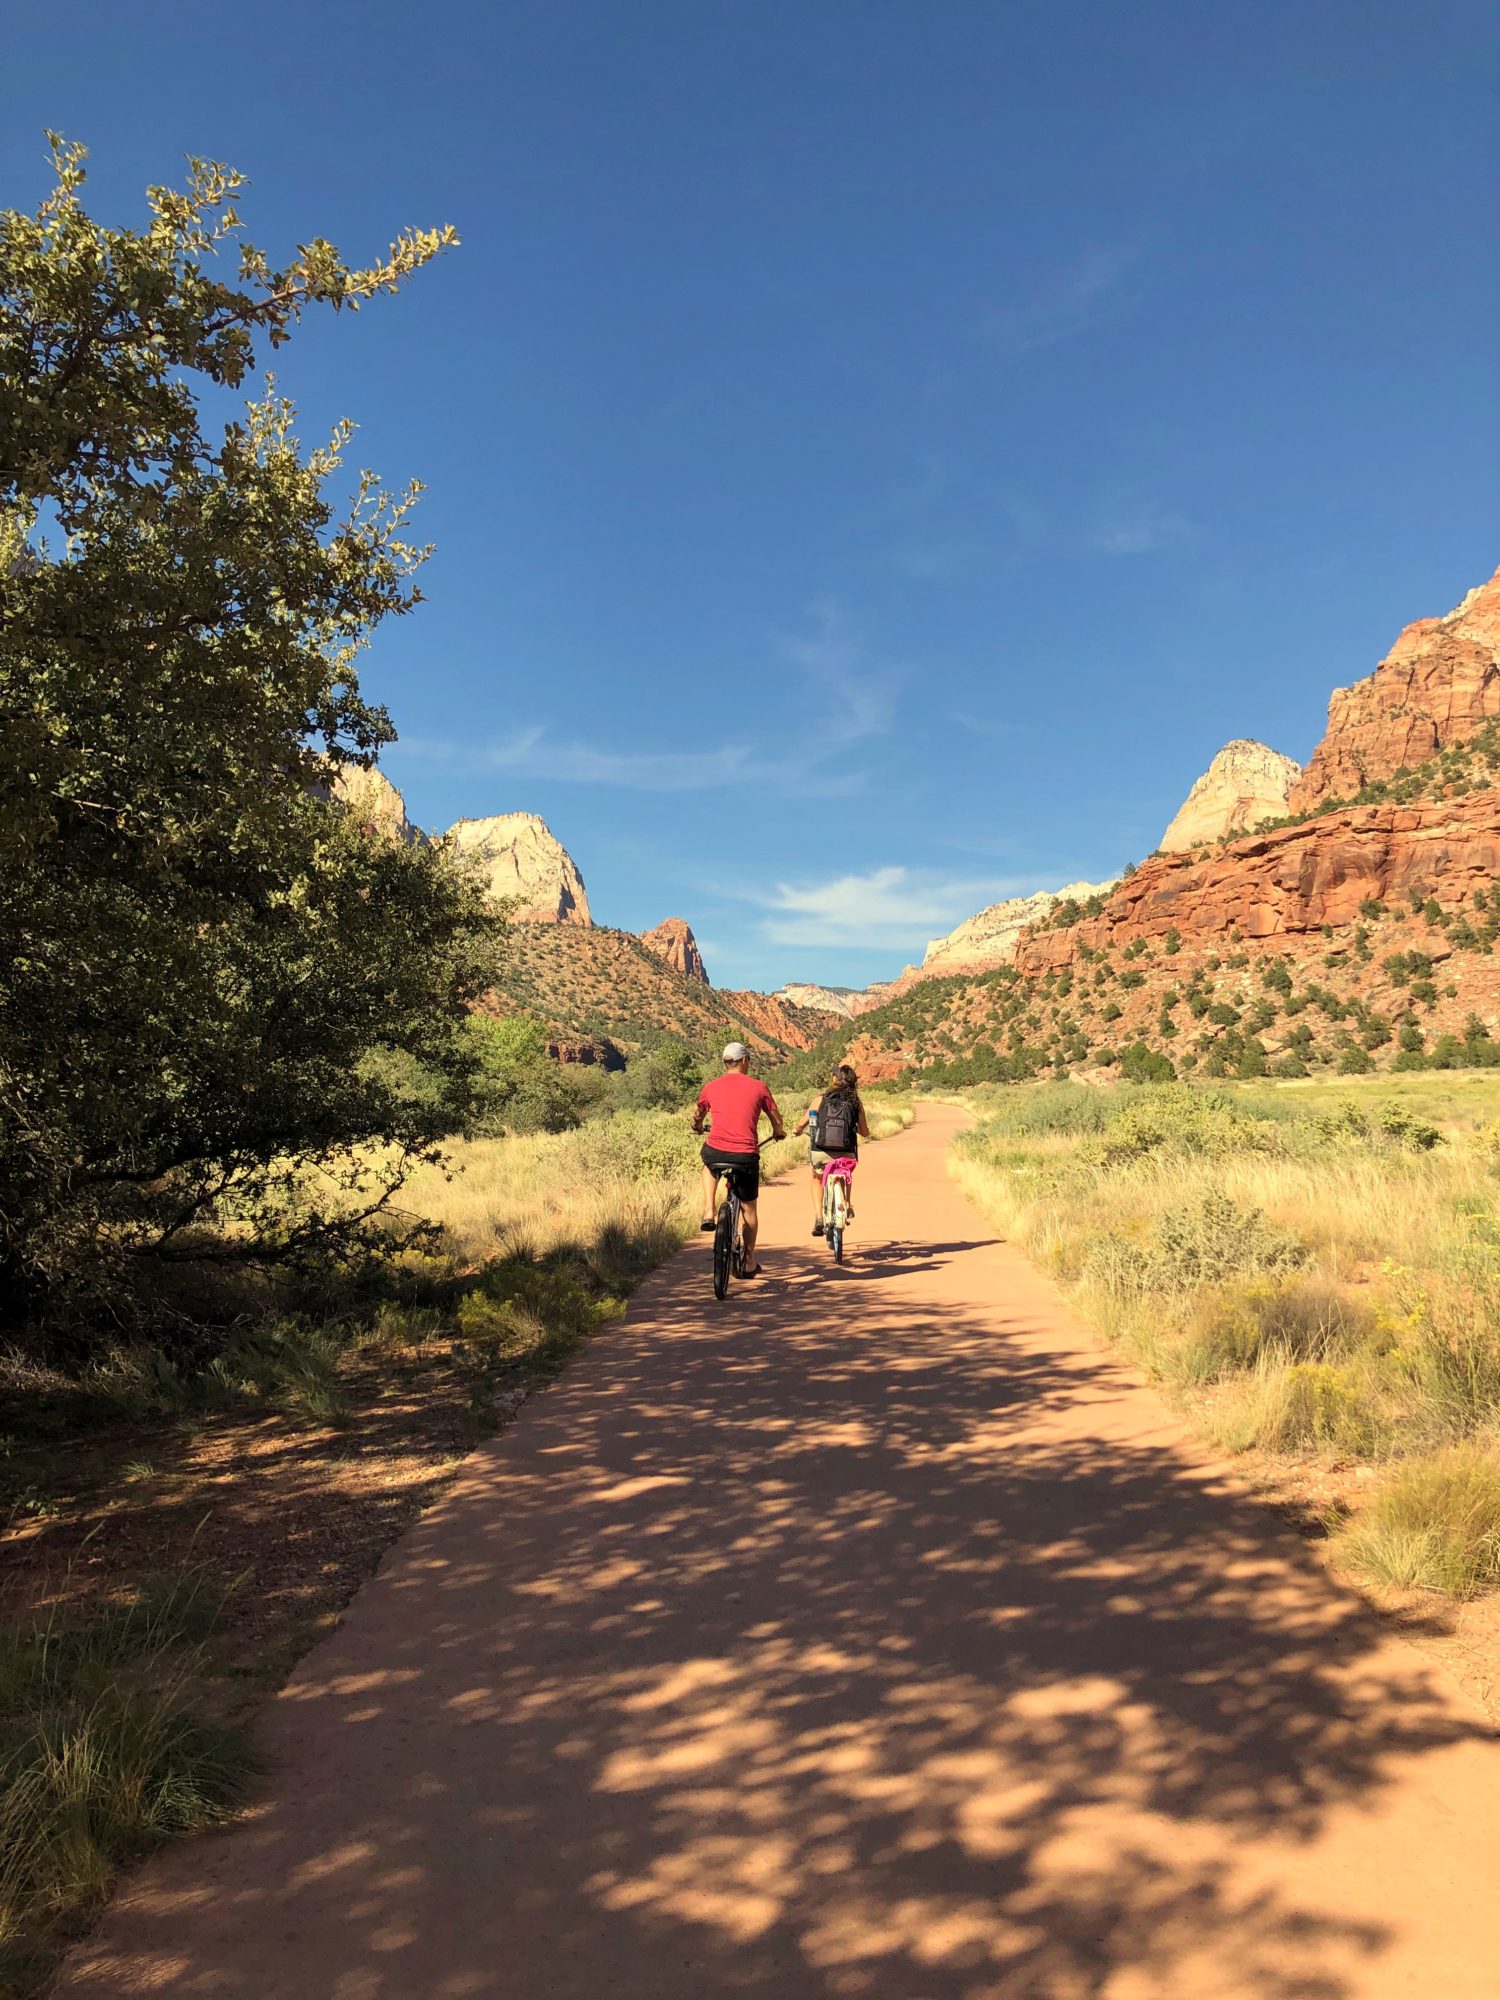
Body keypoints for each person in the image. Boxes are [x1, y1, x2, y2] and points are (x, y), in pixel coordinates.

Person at [692, 1042, 785, 1277]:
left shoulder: (710, 1087)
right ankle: (750, 1261)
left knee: (708, 1164)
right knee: (749, 1210)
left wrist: (698, 1126)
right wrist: (778, 1131)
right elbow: (775, 1117)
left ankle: (709, 1210)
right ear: (744, 1061)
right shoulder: (759, 1087)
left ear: (726, 1062)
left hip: (717, 1151)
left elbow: (698, 1115)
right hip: (745, 1156)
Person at [794, 1063, 870, 1235]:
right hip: (846, 1153)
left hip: (821, 1151)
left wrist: (797, 1129)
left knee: (816, 1177)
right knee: (846, 1173)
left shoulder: (820, 1100)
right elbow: (865, 1132)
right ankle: (847, 1204)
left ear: (836, 1080)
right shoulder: (856, 1103)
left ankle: (819, 1217)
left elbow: (801, 1123)